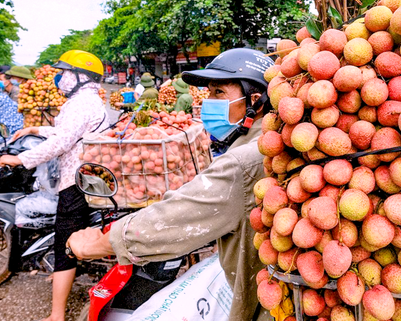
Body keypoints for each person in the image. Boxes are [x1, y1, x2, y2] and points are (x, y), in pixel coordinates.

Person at [67, 48, 274, 321]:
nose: (208, 102)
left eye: (218, 93)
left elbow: (168, 221)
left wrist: (95, 244)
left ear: (255, 101)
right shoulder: (266, 142)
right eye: (208, 92)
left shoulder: (242, 162)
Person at [0, 50, 109, 321]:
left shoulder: (82, 103)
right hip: (87, 176)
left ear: (81, 77)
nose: (61, 78)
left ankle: (56, 315)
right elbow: (68, 132)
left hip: (76, 182)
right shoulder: (87, 100)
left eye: (65, 73)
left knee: (64, 244)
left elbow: (61, 143)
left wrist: (20, 159)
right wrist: (35, 130)